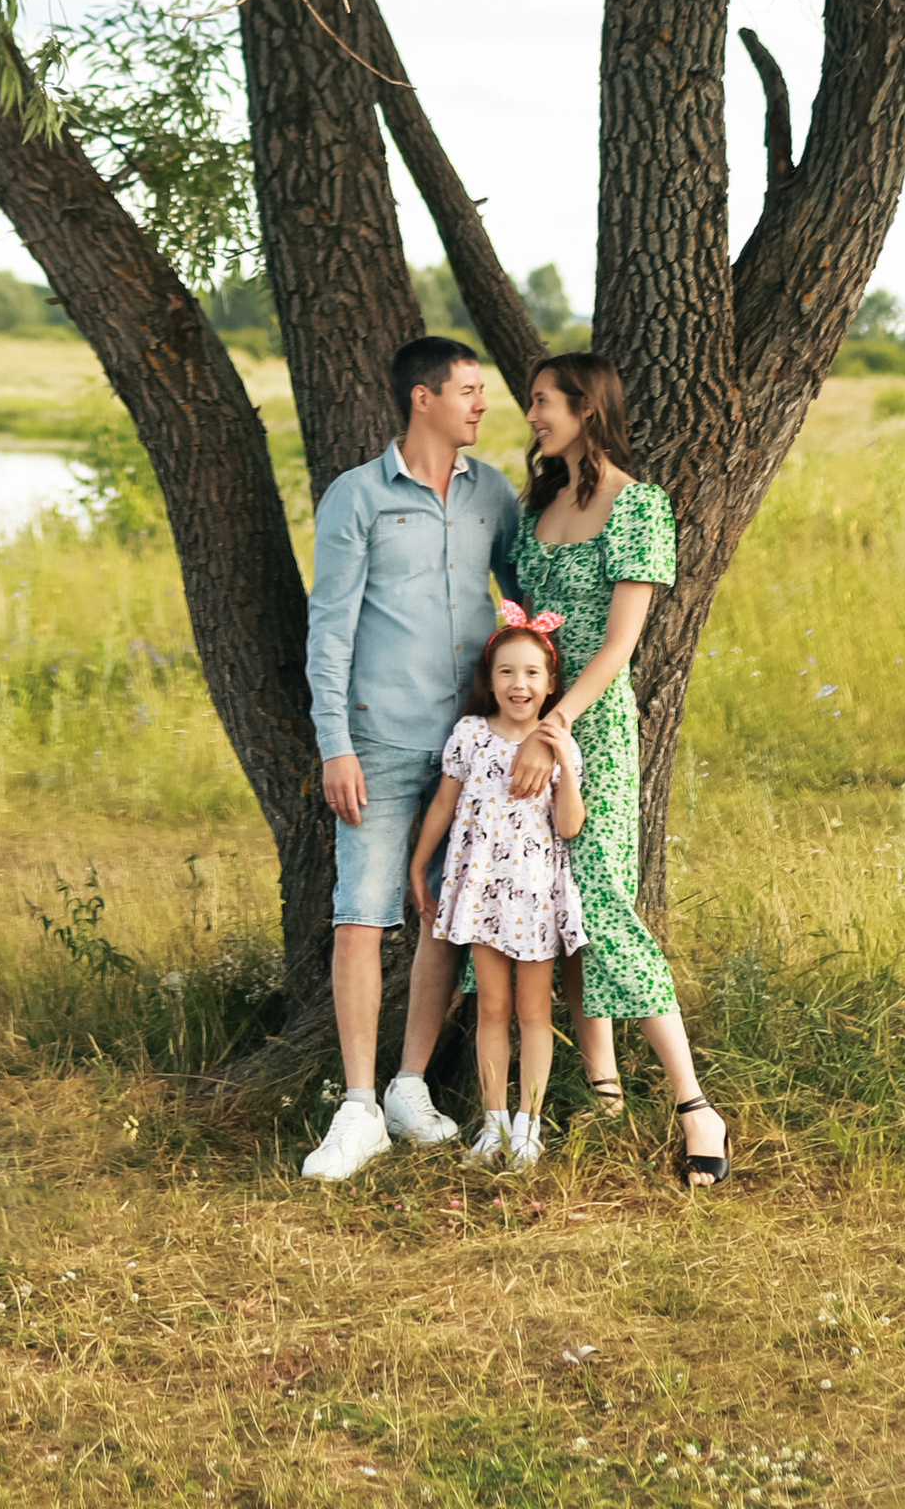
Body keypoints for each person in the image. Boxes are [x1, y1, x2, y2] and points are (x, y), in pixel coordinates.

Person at [300, 331, 526, 1182]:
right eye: (468, 390)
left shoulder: (493, 495)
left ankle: (408, 1086)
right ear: (422, 399)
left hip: (472, 751)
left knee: (445, 914)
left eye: (482, 391)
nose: (481, 403)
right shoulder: (356, 498)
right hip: (381, 741)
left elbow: (525, 603)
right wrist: (336, 747)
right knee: (361, 914)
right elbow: (330, 631)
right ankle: (356, 1109)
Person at [512, 350, 728, 1184]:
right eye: (530, 403)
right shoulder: (538, 504)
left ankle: (696, 1108)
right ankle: (603, 1098)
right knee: (550, 901)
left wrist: (558, 725)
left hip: (589, 733)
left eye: (543, 402)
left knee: (601, 902)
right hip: (525, 730)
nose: (531, 415)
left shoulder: (636, 505)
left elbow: (620, 644)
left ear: (586, 407)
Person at [408, 601, 587, 1166]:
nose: (519, 684)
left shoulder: (557, 742)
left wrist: (567, 766)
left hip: (534, 897)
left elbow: (569, 826)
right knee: (492, 1007)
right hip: (484, 893)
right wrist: (419, 864)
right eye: (507, 671)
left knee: (534, 1012)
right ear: (490, 680)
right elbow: (444, 802)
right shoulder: (469, 735)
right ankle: (493, 1125)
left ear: (550, 683)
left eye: (532, 673)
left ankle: (529, 1127)